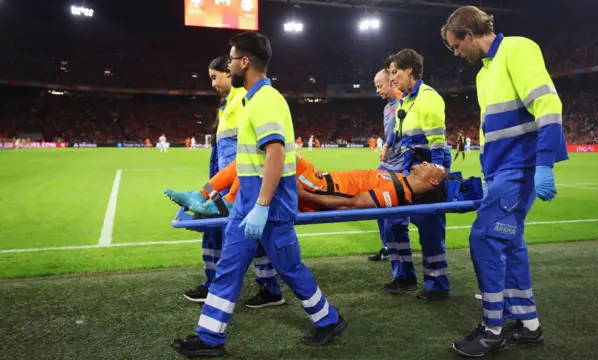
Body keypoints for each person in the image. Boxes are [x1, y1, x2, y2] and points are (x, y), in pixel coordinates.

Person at [170, 32, 346, 358]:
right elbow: (252, 162)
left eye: (233, 59)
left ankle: (329, 320)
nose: (231, 64)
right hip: (248, 206)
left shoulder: (265, 100)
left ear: (245, 62)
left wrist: (262, 206)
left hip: (270, 207)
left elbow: (276, 154)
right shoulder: (254, 100)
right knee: (229, 268)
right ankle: (210, 338)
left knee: (290, 268)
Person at [441, 6, 568, 357]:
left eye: (456, 45)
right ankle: (528, 325)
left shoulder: (517, 48)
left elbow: (548, 103)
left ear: (468, 34)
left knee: (485, 239)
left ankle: (492, 329)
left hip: (519, 168)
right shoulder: (484, 73)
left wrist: (544, 164)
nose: (456, 53)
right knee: (510, 243)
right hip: (502, 170)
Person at [168, 55, 284, 308]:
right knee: (240, 233)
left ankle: (224, 287)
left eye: (214, 77)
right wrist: (209, 188)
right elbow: (225, 157)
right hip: (229, 183)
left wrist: (221, 192)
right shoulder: (231, 103)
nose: (212, 84)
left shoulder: (244, 102)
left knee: (222, 231)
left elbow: (246, 155)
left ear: (230, 72)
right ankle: (266, 288)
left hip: (240, 185)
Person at [380, 49, 452, 299]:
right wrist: (388, 146)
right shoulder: (407, 100)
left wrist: (437, 177)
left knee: (429, 229)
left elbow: (438, 144)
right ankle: (404, 277)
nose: (392, 78)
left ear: (410, 70)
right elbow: (399, 130)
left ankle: (437, 285)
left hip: (427, 167)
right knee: (392, 222)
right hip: (408, 167)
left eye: (395, 72)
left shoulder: (428, 98)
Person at [169, 154, 447, 215]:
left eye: (432, 166)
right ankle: (205, 194)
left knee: (268, 154)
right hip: (319, 180)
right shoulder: (397, 177)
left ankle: (225, 204)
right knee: (252, 155)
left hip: (317, 187)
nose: (426, 163)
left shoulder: (396, 192)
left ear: (432, 181)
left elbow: (352, 204)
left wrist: (306, 196)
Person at [369, 68, 403, 262]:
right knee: (377, 202)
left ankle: (395, 248)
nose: (377, 90)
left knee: (392, 211)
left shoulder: (403, 104)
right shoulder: (387, 108)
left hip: (401, 165)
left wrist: (388, 147)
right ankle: (388, 246)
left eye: (379, 86)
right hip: (389, 164)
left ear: (391, 81)